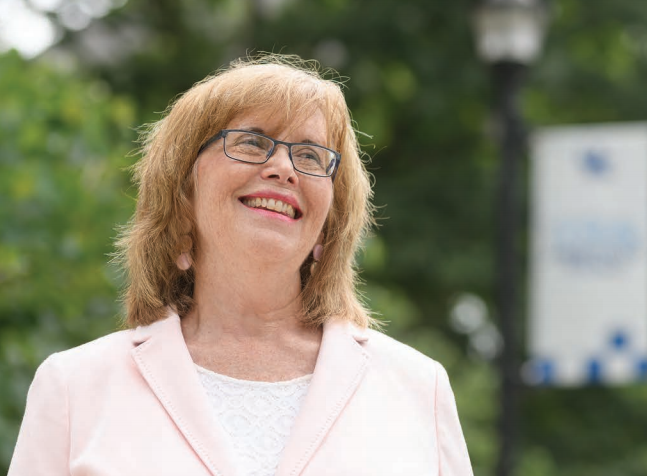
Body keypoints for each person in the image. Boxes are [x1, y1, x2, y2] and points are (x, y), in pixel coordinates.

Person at [9, 54, 473, 476]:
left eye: (310, 155)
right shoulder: (74, 388)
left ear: (330, 220)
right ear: (183, 194)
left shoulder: (418, 389)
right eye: (252, 142)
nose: (284, 168)